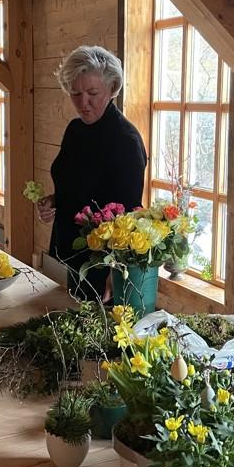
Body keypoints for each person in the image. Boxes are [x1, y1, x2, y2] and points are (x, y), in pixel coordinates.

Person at [37, 45, 147, 300]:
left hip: (103, 263)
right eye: (75, 93)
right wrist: (53, 201)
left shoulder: (125, 140)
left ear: (112, 88)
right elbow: (78, 183)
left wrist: (116, 269)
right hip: (73, 253)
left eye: (92, 93)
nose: (82, 102)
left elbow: (130, 210)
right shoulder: (75, 130)